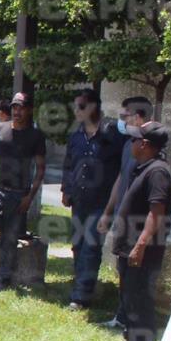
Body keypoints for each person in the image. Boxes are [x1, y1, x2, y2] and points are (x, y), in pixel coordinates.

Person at [109, 122, 171, 341]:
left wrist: (140, 245)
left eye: (134, 140)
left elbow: (156, 212)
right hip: (129, 247)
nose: (131, 143)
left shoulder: (158, 172)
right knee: (130, 297)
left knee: (140, 300)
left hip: (142, 251)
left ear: (145, 145)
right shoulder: (143, 168)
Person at [61, 89, 125, 308]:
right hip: (79, 199)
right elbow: (69, 164)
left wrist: (111, 208)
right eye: (75, 107)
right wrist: (66, 190)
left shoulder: (113, 133)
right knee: (78, 245)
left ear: (94, 107)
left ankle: (81, 296)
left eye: (81, 106)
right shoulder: (76, 135)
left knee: (91, 245)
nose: (76, 111)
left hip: (102, 200)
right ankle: (82, 284)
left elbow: (122, 167)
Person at [98, 96, 154, 329]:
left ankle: (134, 325)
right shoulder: (128, 145)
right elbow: (120, 179)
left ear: (138, 117)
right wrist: (108, 212)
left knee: (135, 276)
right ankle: (121, 317)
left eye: (125, 117)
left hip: (138, 222)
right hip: (122, 218)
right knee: (123, 269)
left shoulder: (150, 149)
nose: (121, 121)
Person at [0, 92, 47, 289]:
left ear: (29, 110)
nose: (17, 111)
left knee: (10, 238)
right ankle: (2, 228)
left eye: (21, 107)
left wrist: (30, 196)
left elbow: (40, 168)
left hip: (19, 193)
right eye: (14, 107)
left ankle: (3, 278)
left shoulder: (35, 136)